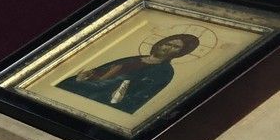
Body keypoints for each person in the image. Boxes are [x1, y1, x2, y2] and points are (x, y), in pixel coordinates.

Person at [57, 33, 199, 114]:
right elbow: (101, 71)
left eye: (175, 47)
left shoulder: (164, 72)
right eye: (167, 43)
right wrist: (84, 78)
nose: (168, 48)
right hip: (88, 87)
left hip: (104, 100)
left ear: (180, 53)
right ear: (160, 43)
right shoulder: (134, 58)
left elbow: (138, 97)